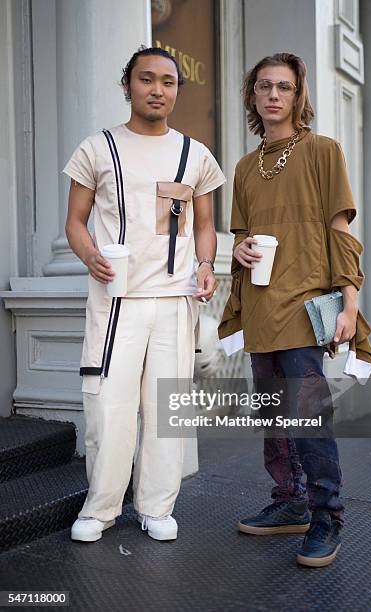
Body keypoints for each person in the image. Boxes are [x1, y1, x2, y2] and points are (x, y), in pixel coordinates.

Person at [218, 53, 371, 567]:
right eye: (264, 86)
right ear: (252, 96)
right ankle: (289, 503)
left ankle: (326, 514)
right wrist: (238, 250)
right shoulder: (243, 167)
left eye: (283, 87)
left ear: (298, 94)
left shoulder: (324, 152)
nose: (273, 95)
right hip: (262, 306)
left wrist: (350, 304)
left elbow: (341, 234)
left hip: (307, 306)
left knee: (307, 413)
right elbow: (242, 236)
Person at [64, 46, 225, 543]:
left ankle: (156, 506)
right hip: (116, 303)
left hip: (175, 302)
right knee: (109, 409)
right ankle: (101, 508)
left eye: (168, 82)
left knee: (166, 412)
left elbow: (205, 226)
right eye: (146, 79)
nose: (157, 90)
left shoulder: (193, 154)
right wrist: (90, 254)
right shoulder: (98, 148)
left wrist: (205, 265)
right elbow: (73, 221)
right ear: (128, 85)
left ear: (177, 90)